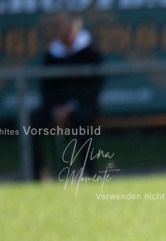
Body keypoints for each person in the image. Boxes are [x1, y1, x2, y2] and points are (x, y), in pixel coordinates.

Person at [29, 12, 103, 181]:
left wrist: (71, 106)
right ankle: (36, 173)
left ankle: (91, 172)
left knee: (82, 120)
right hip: (56, 106)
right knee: (32, 120)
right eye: (54, 27)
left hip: (82, 105)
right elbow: (47, 87)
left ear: (72, 28)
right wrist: (56, 108)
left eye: (59, 27)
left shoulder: (89, 52)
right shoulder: (53, 54)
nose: (56, 31)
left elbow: (93, 87)